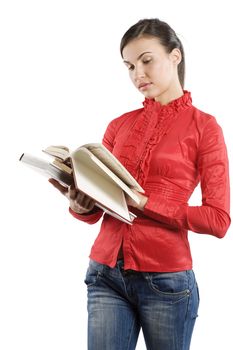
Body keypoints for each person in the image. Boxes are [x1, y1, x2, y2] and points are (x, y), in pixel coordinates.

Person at [49, 18, 231, 350]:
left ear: (175, 56)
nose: (137, 74)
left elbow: (218, 220)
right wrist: (80, 204)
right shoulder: (119, 126)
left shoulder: (205, 128)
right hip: (104, 274)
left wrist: (145, 204)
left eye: (146, 61)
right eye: (130, 66)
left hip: (167, 282)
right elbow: (98, 211)